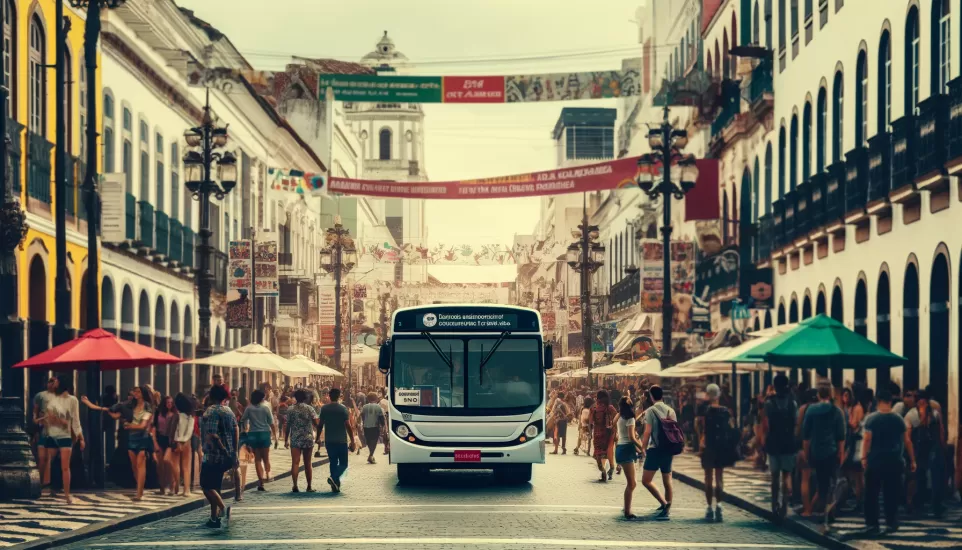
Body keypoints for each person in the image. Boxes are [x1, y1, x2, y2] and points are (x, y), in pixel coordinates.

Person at [861, 389, 916, 535]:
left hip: (875, 461)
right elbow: (907, 441)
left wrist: (863, 457)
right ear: (890, 402)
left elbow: (867, 440)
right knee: (891, 494)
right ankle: (891, 523)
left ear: (878, 401)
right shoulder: (898, 419)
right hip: (894, 461)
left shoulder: (871, 419)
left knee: (872, 494)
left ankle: (872, 523)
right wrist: (912, 460)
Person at [802, 380, 846, 526]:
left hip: (816, 450)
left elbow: (806, 435)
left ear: (818, 394)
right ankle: (829, 512)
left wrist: (806, 453)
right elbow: (841, 436)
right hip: (832, 451)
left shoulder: (811, 410)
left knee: (821, 484)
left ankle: (823, 513)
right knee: (832, 482)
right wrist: (841, 453)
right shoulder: (837, 411)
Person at [200, 384, 239, 528]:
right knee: (215, 487)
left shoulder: (210, 411)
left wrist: (222, 450)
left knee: (206, 486)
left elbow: (212, 435)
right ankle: (213, 518)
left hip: (213, 456)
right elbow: (236, 430)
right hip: (228, 456)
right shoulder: (229, 411)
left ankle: (222, 509)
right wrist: (233, 453)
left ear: (211, 396)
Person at [761, 373, 798, 519]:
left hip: (774, 442)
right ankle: (784, 505)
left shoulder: (769, 403)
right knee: (787, 474)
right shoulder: (792, 403)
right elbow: (796, 424)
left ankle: (774, 503)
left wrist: (763, 442)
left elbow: (766, 425)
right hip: (788, 442)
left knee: (775, 476)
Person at [41, 374, 83, 503]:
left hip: (64, 436)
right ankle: (51, 488)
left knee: (65, 466)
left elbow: (75, 420)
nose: (54, 383)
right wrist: (61, 421)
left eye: (56, 381)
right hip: (52, 434)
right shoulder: (51, 399)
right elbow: (49, 417)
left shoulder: (72, 400)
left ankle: (67, 494)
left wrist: (80, 437)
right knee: (51, 462)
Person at [905, 390, 946, 517]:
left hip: (932, 447)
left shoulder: (934, 414)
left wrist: (942, 446)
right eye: (920, 401)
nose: (922, 403)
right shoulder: (911, 415)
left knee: (935, 476)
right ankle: (917, 504)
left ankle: (936, 505)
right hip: (919, 448)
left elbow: (940, 431)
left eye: (924, 401)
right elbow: (908, 437)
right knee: (919, 476)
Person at [699, 383, 737, 522]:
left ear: (708, 394)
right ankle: (719, 506)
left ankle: (709, 507)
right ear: (719, 395)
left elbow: (701, 430)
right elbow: (732, 428)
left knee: (708, 479)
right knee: (719, 478)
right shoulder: (726, 411)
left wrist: (701, 445)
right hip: (721, 448)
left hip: (709, 447)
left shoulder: (704, 410)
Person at [639, 385, 675, 521]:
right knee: (667, 480)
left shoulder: (650, 411)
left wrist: (643, 447)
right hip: (668, 449)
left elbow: (647, 432)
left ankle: (664, 503)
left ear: (651, 396)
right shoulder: (670, 410)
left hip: (655, 449)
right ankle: (667, 508)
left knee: (646, 480)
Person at [319, 388, 356, 493]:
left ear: (329, 396)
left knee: (333, 462)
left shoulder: (324, 409)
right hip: (341, 440)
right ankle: (334, 477)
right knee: (344, 464)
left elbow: (320, 425)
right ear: (339, 396)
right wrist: (352, 440)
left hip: (329, 440)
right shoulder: (343, 409)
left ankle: (335, 485)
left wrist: (317, 437)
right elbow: (348, 425)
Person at [615, 397, 644, 519]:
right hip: (626, 449)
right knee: (632, 483)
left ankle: (626, 507)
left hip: (620, 449)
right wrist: (642, 446)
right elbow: (632, 437)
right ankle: (627, 511)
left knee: (631, 483)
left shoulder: (619, 417)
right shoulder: (630, 419)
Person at [240, 389, 275, 491]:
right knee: (266, 457)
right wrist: (275, 436)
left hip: (253, 434)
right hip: (264, 434)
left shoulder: (249, 408)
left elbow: (243, 420)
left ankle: (260, 482)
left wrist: (246, 428)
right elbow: (271, 423)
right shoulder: (265, 408)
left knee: (257, 459)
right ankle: (268, 474)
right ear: (262, 398)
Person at [285, 388, 320, 493]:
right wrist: (317, 436)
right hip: (307, 437)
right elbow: (316, 423)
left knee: (295, 462)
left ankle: (295, 485)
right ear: (305, 398)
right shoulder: (310, 409)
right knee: (308, 463)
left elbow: (288, 426)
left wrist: (286, 439)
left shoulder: (290, 409)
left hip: (295, 438)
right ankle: (309, 486)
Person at [168, 393, 194, 497]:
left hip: (177, 441)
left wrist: (177, 442)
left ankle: (175, 487)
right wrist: (185, 441)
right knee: (186, 467)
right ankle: (186, 490)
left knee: (175, 465)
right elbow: (190, 431)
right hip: (187, 442)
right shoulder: (191, 416)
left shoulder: (177, 416)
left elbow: (174, 430)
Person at [590, 391, 618, 482]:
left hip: (597, 434)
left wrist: (590, 433)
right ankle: (610, 469)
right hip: (608, 433)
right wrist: (615, 429)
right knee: (607, 452)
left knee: (598, 454)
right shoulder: (610, 407)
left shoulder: (593, 408)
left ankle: (603, 471)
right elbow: (617, 417)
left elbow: (590, 423)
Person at [154, 395, 176, 495]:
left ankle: (172, 485)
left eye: (171, 403)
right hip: (160, 438)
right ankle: (162, 488)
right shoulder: (158, 413)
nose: (169, 404)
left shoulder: (175, 414)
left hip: (169, 439)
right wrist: (155, 441)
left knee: (167, 461)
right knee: (159, 465)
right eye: (168, 402)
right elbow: (154, 427)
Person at [360, 392, 385, 463]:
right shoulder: (378, 407)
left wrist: (363, 423)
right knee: (374, 441)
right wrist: (383, 426)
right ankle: (371, 455)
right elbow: (381, 418)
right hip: (375, 426)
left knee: (368, 441)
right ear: (376, 398)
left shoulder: (364, 407)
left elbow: (362, 416)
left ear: (368, 399)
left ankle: (371, 456)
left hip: (366, 427)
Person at [378, 389, 391, 455]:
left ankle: (387, 448)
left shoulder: (382, 402)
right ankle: (388, 448)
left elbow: (379, 411)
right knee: (387, 434)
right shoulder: (388, 402)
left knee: (385, 434)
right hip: (389, 418)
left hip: (385, 419)